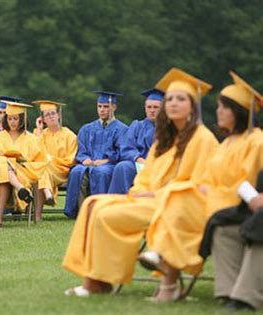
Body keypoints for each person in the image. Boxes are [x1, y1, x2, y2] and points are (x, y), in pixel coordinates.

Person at [62, 68, 218, 301]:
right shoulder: (164, 140)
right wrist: (138, 192)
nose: (173, 103)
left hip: (179, 206)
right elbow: (145, 177)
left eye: (181, 99)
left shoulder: (202, 138)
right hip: (149, 201)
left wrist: (156, 193)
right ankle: (95, 281)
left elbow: (203, 183)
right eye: (171, 98)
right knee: (94, 203)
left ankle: (104, 280)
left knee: (106, 214)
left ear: (193, 106)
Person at [196, 72, 263, 311]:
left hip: (243, 204)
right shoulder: (226, 143)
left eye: (224, 107)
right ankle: (228, 291)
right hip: (235, 204)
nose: (219, 112)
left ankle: (246, 296)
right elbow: (209, 177)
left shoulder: (257, 141)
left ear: (240, 110)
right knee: (222, 227)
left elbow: (246, 181)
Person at [0, 101, 46, 228]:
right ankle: (20, 189)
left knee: (3, 167)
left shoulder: (32, 139)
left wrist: (20, 159)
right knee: (1, 163)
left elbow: (39, 162)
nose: (12, 122)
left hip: (22, 173)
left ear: (22, 119)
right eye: (9, 118)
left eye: (16, 118)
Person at [63, 91, 128, 219]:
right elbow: (81, 150)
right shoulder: (87, 128)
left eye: (105, 107)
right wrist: (85, 159)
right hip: (89, 163)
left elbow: (122, 152)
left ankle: (100, 211)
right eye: (99, 106)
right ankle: (82, 213)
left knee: (101, 172)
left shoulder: (122, 129)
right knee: (77, 171)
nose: (102, 110)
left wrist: (106, 161)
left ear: (114, 107)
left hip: (109, 165)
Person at [108, 88, 163, 194]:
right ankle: (121, 203)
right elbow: (127, 147)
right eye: (149, 107)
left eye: (156, 107)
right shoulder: (137, 126)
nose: (152, 110)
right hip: (138, 163)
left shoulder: (170, 128)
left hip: (161, 164)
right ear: (145, 109)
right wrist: (138, 159)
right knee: (122, 167)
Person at [32, 100, 77, 221]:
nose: (51, 117)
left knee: (42, 166)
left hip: (62, 172)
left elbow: (71, 160)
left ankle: (38, 215)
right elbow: (34, 153)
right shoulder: (39, 134)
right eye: (47, 115)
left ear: (58, 115)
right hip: (44, 171)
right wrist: (39, 130)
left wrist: (52, 160)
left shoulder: (70, 135)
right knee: (42, 168)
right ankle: (47, 193)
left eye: (53, 113)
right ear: (43, 119)